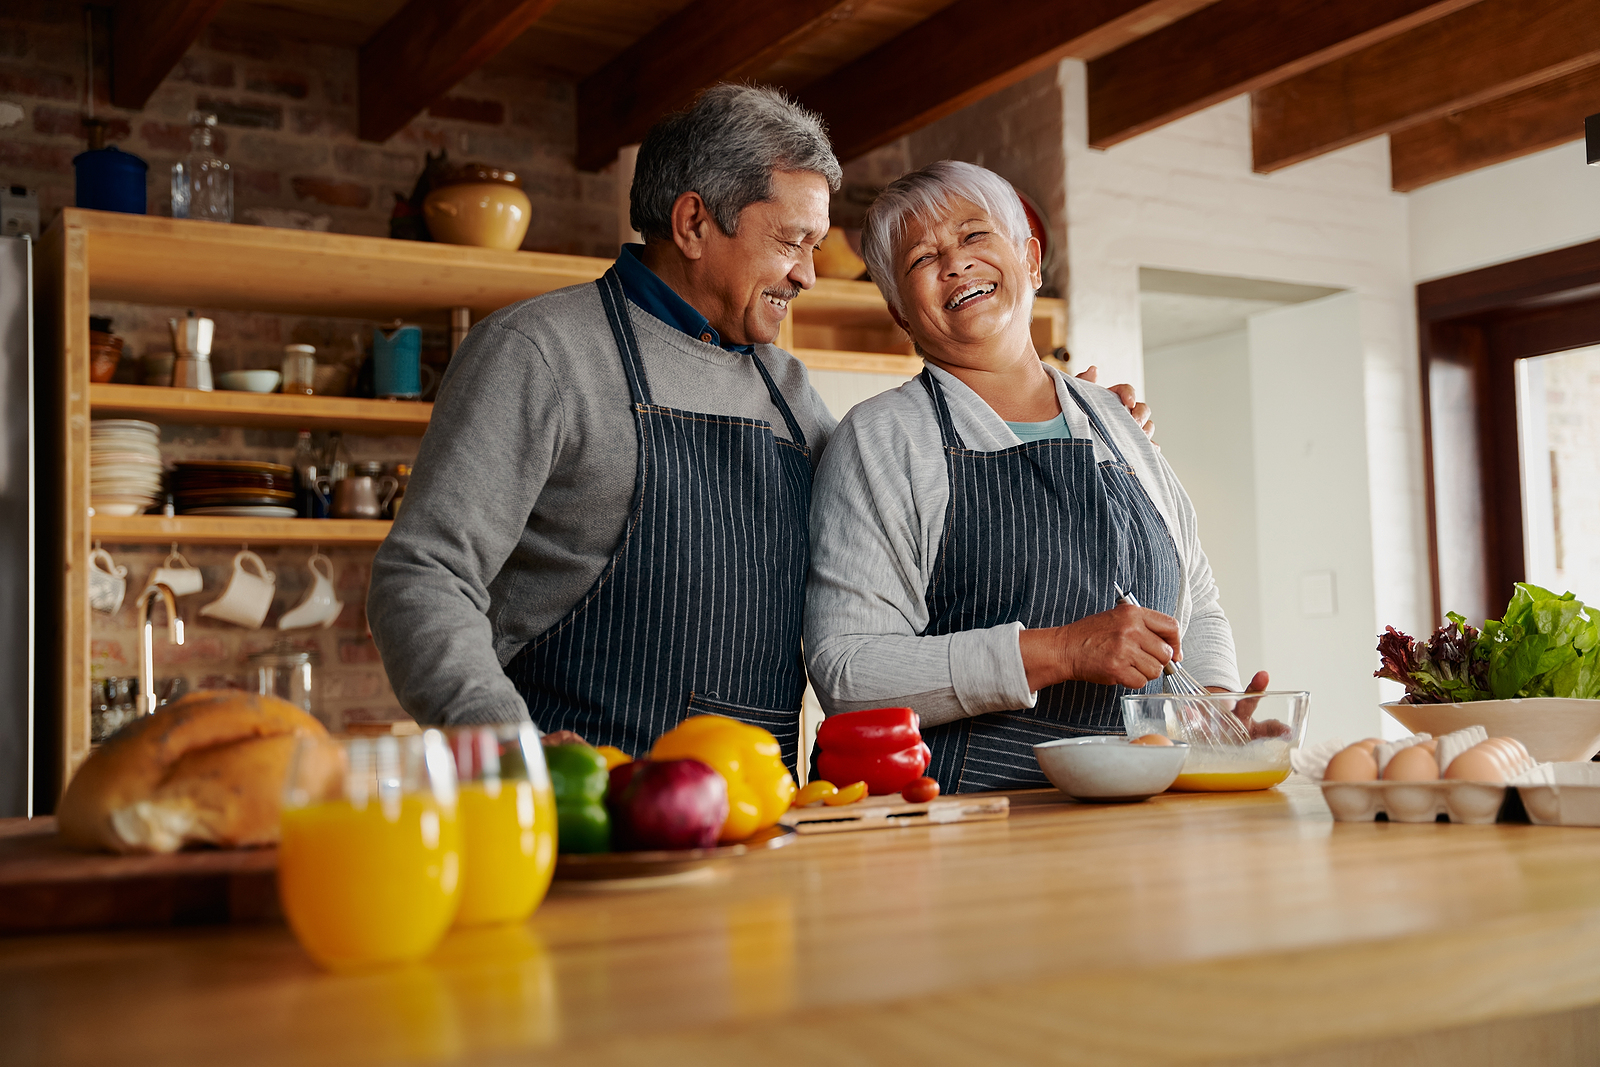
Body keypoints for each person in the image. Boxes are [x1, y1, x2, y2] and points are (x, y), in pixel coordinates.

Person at [370, 86, 1151, 768]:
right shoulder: (541, 353)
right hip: (578, 822)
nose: (808, 274)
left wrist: (1049, 409)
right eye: (791, 241)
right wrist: (509, 754)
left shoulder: (786, 388)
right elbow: (424, 579)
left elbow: (901, 492)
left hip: (760, 821)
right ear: (693, 223)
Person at [803, 160, 1269, 792]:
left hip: (1146, 816)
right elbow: (849, 674)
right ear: (900, 312)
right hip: (966, 828)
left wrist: (1209, 708)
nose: (955, 264)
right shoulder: (882, 439)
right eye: (921, 259)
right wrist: (1063, 651)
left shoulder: (1118, 420)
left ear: (1030, 259)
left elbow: (1197, 599)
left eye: (974, 236)